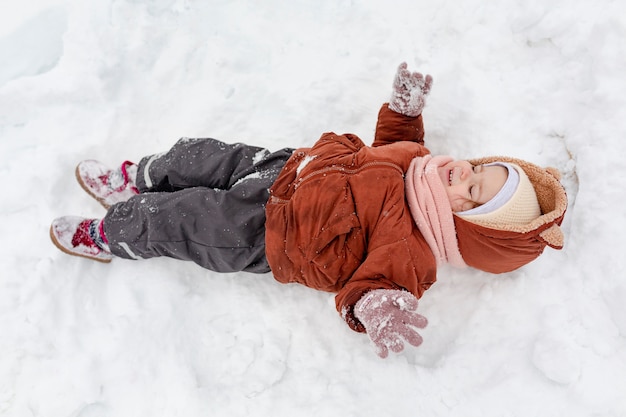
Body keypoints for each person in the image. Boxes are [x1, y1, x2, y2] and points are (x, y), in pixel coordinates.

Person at [50, 63, 568, 358]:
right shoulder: (418, 162)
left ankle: (109, 234)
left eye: (474, 197)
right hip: (286, 169)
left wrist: (376, 308)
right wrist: (404, 112)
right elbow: (394, 141)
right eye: (482, 172)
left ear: (465, 228)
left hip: (264, 233)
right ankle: (137, 176)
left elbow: (373, 284)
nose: (465, 177)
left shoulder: (411, 245)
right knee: (197, 154)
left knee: (180, 219)